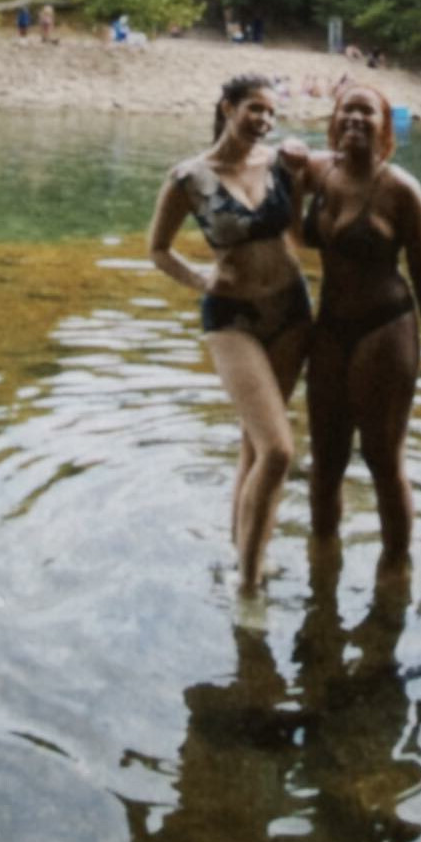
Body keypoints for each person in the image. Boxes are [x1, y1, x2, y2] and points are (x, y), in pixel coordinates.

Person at [148, 74, 312, 594]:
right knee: (279, 451)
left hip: (291, 309)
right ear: (227, 107)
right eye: (254, 109)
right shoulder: (188, 178)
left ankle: (241, 548)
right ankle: (249, 588)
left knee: (255, 447)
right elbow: (158, 248)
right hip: (231, 318)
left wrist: (305, 167)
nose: (264, 121)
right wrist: (198, 278)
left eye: (271, 112)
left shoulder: (280, 164)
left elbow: (302, 235)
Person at [299, 83, 421, 577]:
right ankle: (322, 568)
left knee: (382, 461)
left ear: (385, 126)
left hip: (386, 330)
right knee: (325, 464)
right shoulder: (318, 172)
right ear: (334, 120)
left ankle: (396, 573)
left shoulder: (403, 190)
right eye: (348, 111)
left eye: (368, 112)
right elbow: (262, 168)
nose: (356, 119)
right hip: (329, 330)